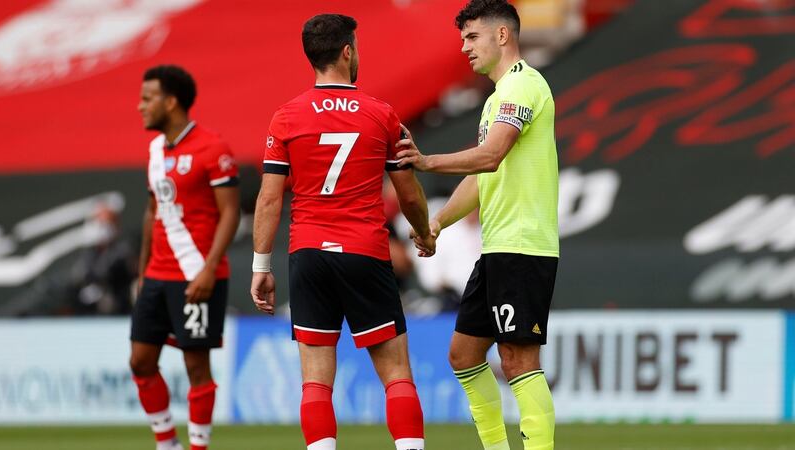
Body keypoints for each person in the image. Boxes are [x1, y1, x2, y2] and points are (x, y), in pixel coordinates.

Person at [250, 14, 434, 450]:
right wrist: (424, 233)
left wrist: (261, 265)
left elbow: (270, 199)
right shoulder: (383, 115)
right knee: (395, 375)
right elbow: (407, 195)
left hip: (309, 252)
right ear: (347, 51)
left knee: (316, 382)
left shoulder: (286, 118)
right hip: (365, 251)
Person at [397, 1, 559, 449]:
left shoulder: (524, 85)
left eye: (472, 37)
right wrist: (438, 222)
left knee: (518, 359)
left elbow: (491, 155)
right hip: (499, 247)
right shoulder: (496, 98)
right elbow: (482, 174)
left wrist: (426, 161)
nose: (465, 48)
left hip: (524, 246)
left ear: (502, 36)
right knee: (464, 356)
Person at [130, 65, 240, 450]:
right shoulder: (156, 151)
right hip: (157, 275)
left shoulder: (212, 147)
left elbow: (231, 211)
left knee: (196, 367)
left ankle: (198, 447)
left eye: (147, 98)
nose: (140, 106)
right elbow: (152, 211)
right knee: (140, 363)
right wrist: (143, 270)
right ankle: (166, 443)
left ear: (171, 101)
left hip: (195, 273)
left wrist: (210, 268)